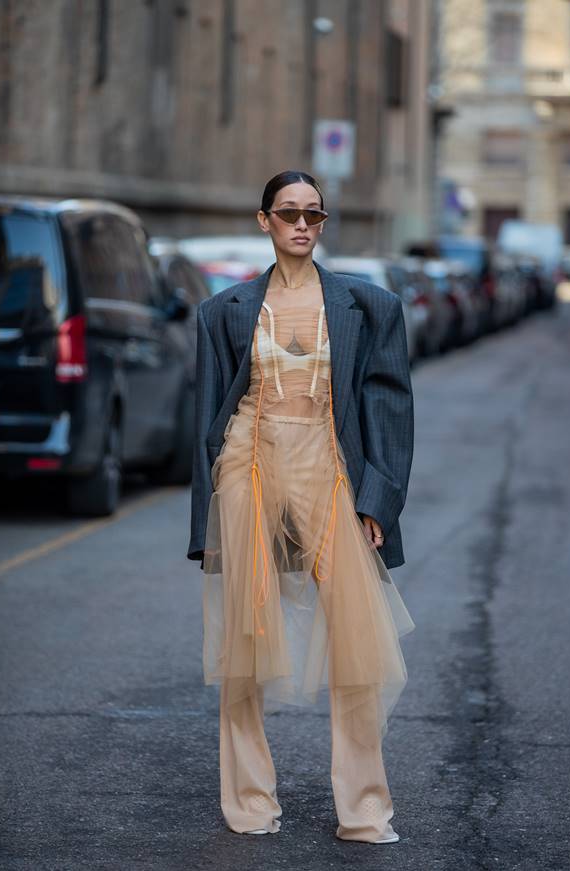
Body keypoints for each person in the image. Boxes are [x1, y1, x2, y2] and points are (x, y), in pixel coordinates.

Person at [187, 169, 416, 844]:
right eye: (288, 213)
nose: (302, 225)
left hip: (329, 469)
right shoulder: (222, 311)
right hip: (247, 468)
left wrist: (378, 498)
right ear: (264, 221)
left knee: (357, 644)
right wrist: (207, 522)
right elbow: (208, 420)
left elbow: (390, 407)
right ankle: (250, 800)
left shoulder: (368, 307)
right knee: (244, 649)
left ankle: (365, 808)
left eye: (314, 214)